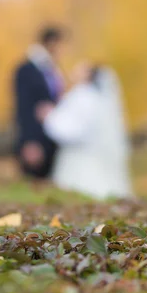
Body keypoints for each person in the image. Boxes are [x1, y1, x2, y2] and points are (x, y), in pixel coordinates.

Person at [36, 64, 132, 199]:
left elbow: (76, 129)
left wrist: (49, 118)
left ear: (88, 75)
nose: (75, 70)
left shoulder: (83, 96)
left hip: (78, 157)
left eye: (82, 68)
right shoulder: (95, 97)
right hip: (86, 155)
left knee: (80, 191)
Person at [13, 25, 65, 182]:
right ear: (51, 43)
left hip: (52, 139)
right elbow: (23, 108)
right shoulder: (26, 70)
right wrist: (30, 141)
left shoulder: (52, 70)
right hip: (36, 141)